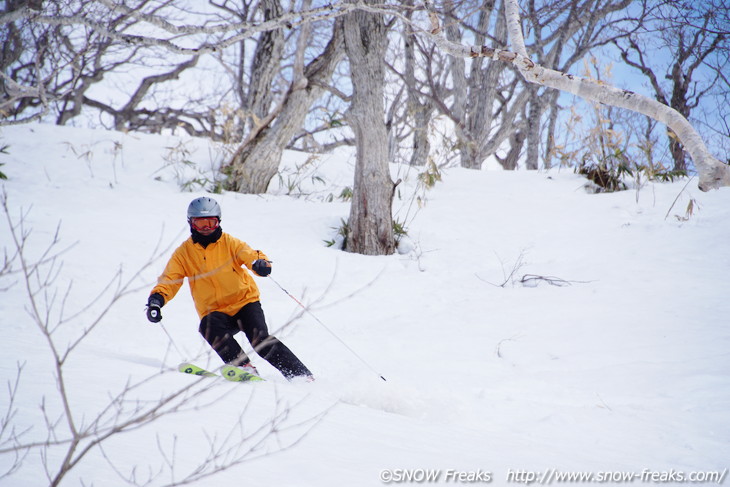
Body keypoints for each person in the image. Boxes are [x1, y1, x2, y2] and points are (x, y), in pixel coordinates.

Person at [145, 196, 313, 381]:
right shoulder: (183, 253)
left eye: (211, 222)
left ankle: (301, 376)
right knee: (208, 327)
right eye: (200, 224)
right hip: (215, 310)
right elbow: (170, 279)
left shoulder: (230, 243)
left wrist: (260, 264)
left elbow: (250, 255)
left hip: (244, 302)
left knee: (260, 339)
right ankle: (244, 368)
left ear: (218, 222)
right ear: (191, 223)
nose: (206, 228)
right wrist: (156, 300)